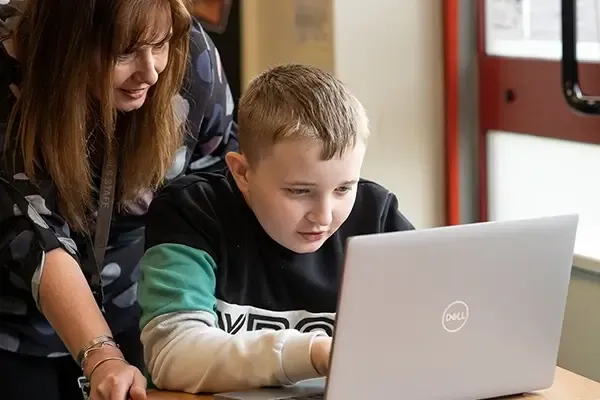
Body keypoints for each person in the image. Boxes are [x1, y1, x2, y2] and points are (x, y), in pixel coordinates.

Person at [0, 0, 238, 399]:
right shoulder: (9, 68)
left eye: (158, 46)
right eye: (124, 52)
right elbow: (34, 234)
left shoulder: (190, 56)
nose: (150, 72)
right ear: (69, 44)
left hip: (137, 304)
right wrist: (102, 356)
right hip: (15, 324)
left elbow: (217, 186)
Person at [137, 63, 415, 394]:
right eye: (300, 191)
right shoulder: (192, 213)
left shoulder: (377, 216)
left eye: (343, 189)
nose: (323, 216)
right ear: (242, 173)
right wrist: (311, 353)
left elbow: (437, 326)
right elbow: (172, 356)